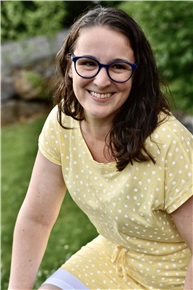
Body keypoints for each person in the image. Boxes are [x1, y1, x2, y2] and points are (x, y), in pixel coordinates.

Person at [8, 6, 193, 290]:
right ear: (70, 65)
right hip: (114, 257)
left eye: (118, 66)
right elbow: (36, 218)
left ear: (136, 73)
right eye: (88, 63)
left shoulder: (167, 142)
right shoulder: (63, 123)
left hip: (174, 276)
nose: (102, 79)